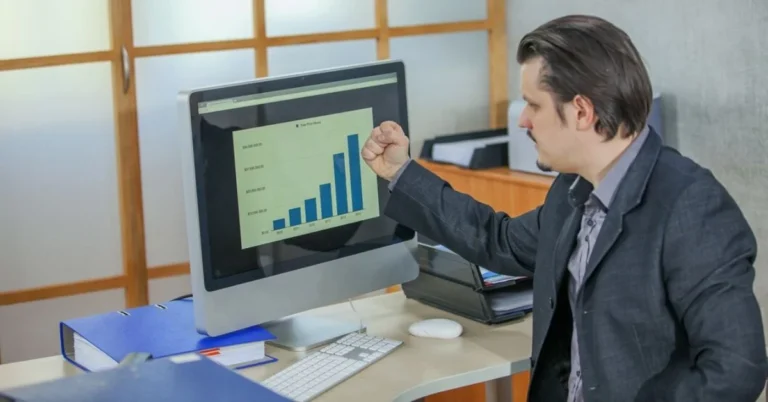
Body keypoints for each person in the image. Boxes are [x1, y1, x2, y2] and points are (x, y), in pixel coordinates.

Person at [361, 14, 768, 402]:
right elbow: (498, 240)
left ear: (582, 111)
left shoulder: (691, 206)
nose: (523, 121)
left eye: (533, 105)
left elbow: (736, 369)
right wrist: (401, 172)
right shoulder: (573, 188)